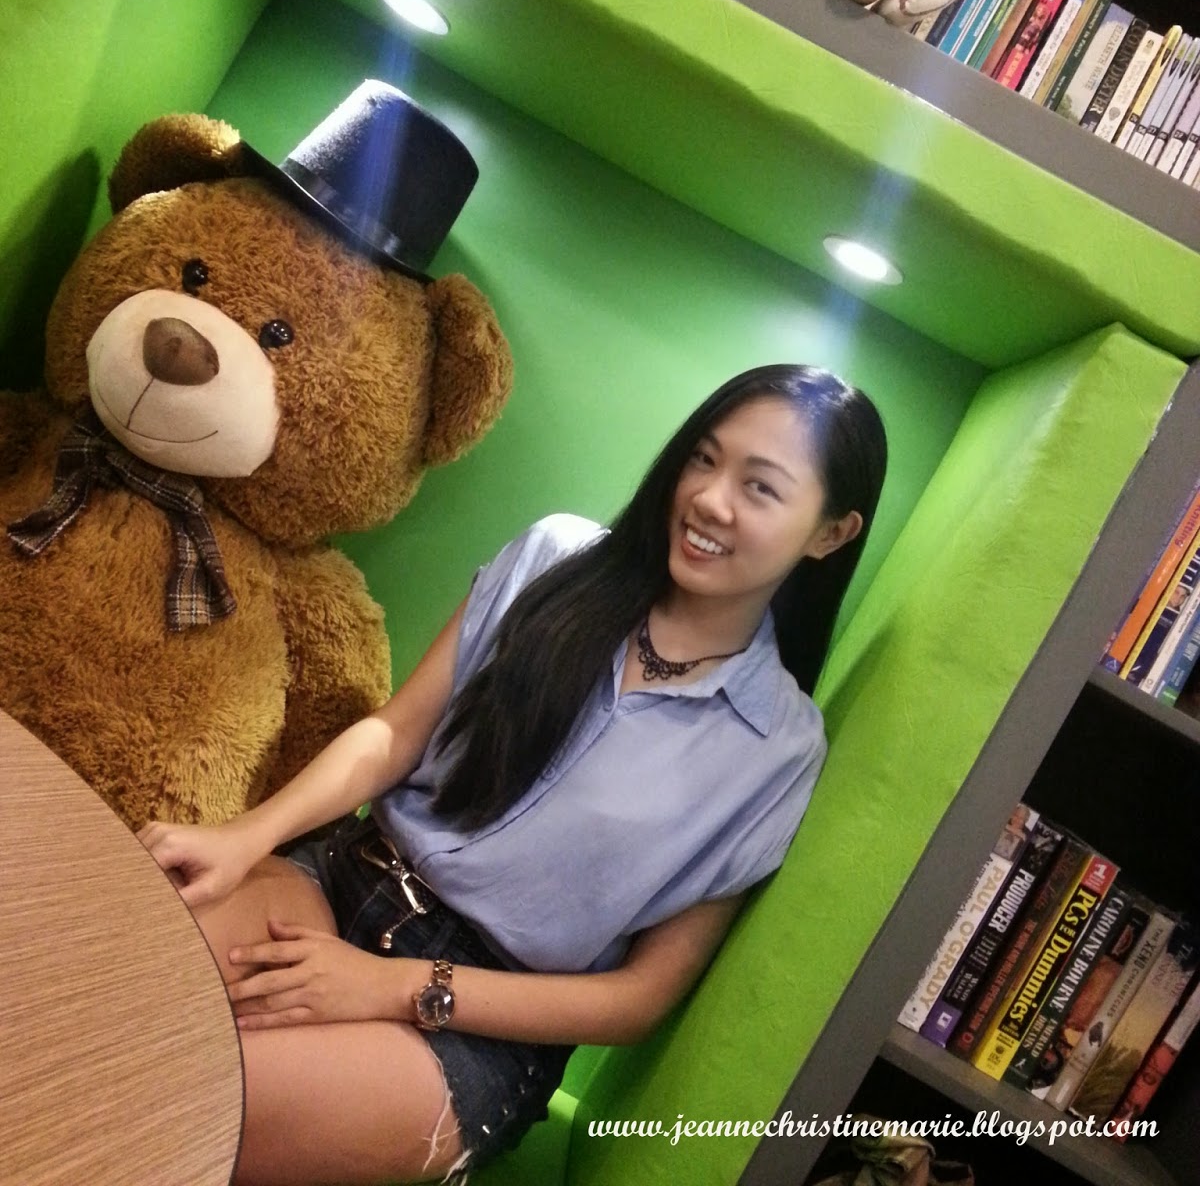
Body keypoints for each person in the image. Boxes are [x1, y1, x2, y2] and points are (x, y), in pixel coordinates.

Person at [139, 363, 887, 1186]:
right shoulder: (556, 558)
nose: (710, 499)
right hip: (345, 881)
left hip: (482, 1027)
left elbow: (638, 999)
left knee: (187, 1102)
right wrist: (245, 839)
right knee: (118, 984)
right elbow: (392, 736)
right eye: (704, 459)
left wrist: (394, 986)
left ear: (830, 533)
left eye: (760, 487)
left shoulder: (777, 750)